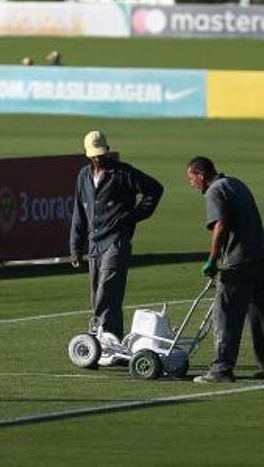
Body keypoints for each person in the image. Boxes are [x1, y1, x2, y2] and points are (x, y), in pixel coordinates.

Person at [185, 156, 264, 383]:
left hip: (239, 262)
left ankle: (222, 369)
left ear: (201, 174)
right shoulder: (236, 183)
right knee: (262, 315)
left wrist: (212, 259)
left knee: (226, 314)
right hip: (263, 258)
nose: (191, 184)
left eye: (191, 178)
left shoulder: (214, 191)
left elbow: (220, 224)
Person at [70, 130, 164, 362]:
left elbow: (154, 189)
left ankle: (101, 337)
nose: (98, 159)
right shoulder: (83, 176)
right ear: (86, 154)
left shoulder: (123, 172)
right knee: (98, 294)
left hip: (116, 240)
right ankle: (111, 340)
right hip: (94, 243)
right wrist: (75, 247)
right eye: (94, 155)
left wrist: (132, 217)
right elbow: (79, 213)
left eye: (102, 154)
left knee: (108, 290)